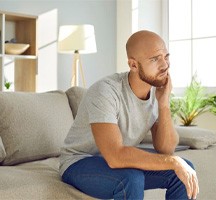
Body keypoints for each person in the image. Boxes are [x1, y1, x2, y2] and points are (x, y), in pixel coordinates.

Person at [59, 30, 199, 200]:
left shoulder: (156, 91)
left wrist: (163, 104)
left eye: (166, 56)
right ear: (133, 65)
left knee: (184, 169)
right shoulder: (106, 91)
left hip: (115, 163)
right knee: (131, 178)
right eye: (155, 59)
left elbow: (166, 148)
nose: (165, 65)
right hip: (79, 163)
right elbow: (115, 156)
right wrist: (172, 161)